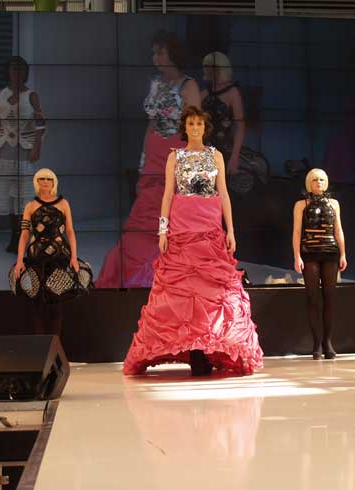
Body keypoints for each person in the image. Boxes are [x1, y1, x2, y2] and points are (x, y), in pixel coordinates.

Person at [122, 106, 263, 376]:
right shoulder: (175, 156)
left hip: (209, 227)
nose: (195, 127)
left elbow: (224, 194)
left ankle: (208, 349)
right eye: (191, 123)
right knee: (184, 289)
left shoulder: (216, 155)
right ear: (184, 128)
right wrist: (163, 231)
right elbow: (167, 194)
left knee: (212, 290)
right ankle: (194, 352)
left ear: (205, 127)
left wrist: (230, 231)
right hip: (182, 227)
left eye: (199, 123)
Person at [95, 30, 201, 288]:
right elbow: (151, 124)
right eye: (154, 53)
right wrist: (143, 161)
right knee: (143, 218)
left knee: (175, 216)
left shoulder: (189, 86)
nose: (155, 58)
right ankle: (130, 272)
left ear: (173, 54)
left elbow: (196, 130)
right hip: (154, 155)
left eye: (160, 52)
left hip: (177, 154)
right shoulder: (155, 83)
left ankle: (170, 276)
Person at [11, 168, 92, 336]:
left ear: (54, 182)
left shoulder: (63, 204)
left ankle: (55, 344)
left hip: (59, 256)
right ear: (36, 182)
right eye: (42, 178)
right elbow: (25, 234)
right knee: (37, 304)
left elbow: (70, 231)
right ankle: (40, 346)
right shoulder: (30, 206)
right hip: (36, 257)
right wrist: (19, 260)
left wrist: (74, 258)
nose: (45, 182)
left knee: (57, 303)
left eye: (49, 179)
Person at [0, 56, 46, 253]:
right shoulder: (0, 94)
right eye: (13, 69)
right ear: (8, 72)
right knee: (8, 197)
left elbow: (40, 123)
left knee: (24, 197)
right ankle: (14, 235)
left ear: (26, 72)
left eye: (21, 69)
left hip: (24, 149)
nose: (17, 73)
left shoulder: (32, 95)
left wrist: (37, 147)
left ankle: (24, 236)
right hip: (5, 148)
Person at [292, 168, 347, 359]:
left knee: (330, 297)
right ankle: (317, 343)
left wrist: (343, 254)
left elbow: (338, 230)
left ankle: (328, 342)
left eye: (322, 179)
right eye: (315, 179)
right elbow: (297, 232)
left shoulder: (334, 204)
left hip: (331, 252)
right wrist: (297, 256)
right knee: (312, 297)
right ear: (309, 182)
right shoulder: (301, 204)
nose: (319, 182)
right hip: (309, 253)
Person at [200, 51, 268, 196]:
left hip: (224, 149)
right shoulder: (204, 94)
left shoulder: (232, 93)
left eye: (209, 67)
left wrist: (234, 157)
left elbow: (240, 127)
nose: (205, 70)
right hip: (204, 150)